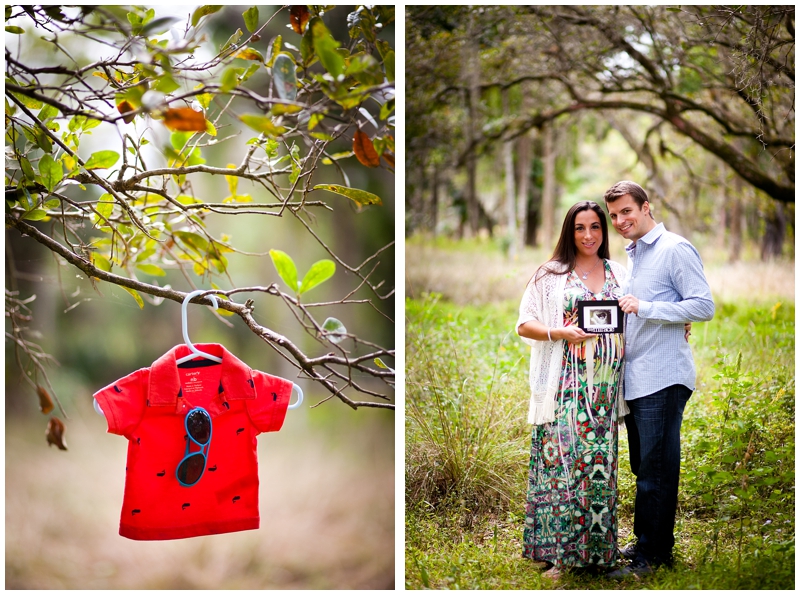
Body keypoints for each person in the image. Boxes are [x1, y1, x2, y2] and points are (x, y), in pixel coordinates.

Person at [602, 181, 715, 578]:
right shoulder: (634, 256)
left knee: (657, 470)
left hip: (663, 378)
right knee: (644, 468)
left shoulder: (674, 249)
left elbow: (703, 304)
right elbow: (670, 309)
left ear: (646, 207)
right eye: (614, 215)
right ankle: (646, 543)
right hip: (637, 378)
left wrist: (647, 307)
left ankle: (653, 558)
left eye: (627, 211)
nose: (620, 221)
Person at [516, 201, 629, 579]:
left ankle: (598, 556)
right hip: (565, 382)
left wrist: (678, 325)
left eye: (595, 227)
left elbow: (638, 315)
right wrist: (559, 332)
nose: (588, 236)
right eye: (580, 228)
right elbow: (524, 324)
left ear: (604, 231)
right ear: (569, 231)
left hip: (606, 389)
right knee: (563, 462)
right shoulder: (551, 275)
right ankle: (561, 556)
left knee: (600, 468)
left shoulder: (618, 272)